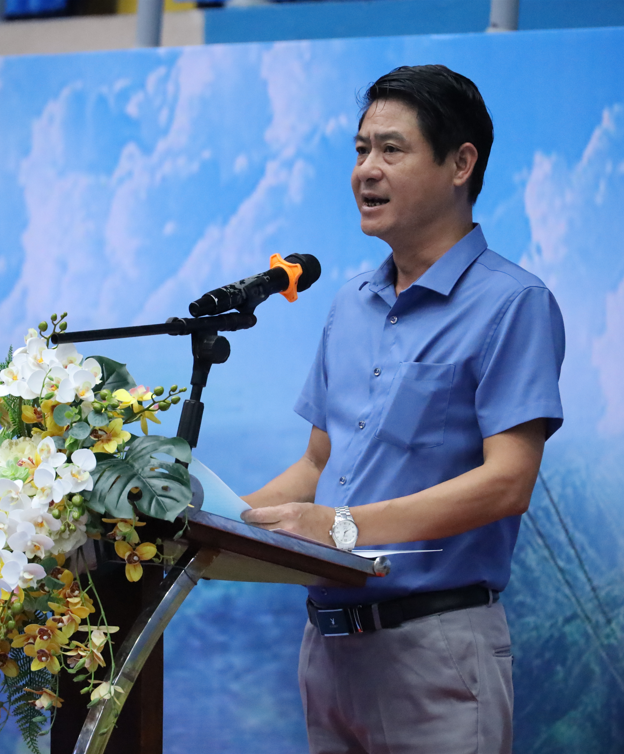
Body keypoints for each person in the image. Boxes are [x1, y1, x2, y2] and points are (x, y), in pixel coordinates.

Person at [241, 64, 566, 754]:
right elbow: (316, 466)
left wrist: (344, 529)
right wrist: (211, 523)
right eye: (361, 149)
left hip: (435, 649)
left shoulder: (513, 303)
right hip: (326, 651)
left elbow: (509, 481)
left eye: (392, 150)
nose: (367, 170)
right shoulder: (349, 303)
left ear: (461, 164)